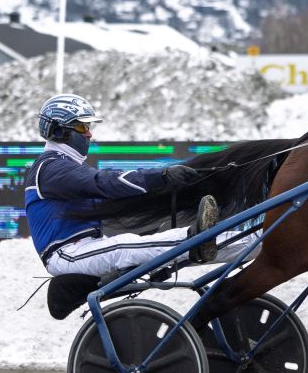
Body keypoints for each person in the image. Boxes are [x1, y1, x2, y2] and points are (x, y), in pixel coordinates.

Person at [24, 93, 258, 278]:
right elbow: (104, 183)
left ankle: (251, 242)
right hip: (66, 255)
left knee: (140, 243)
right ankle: (247, 242)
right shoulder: (51, 167)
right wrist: (161, 176)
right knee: (126, 247)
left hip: (84, 248)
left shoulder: (62, 165)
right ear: (59, 131)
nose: (90, 134)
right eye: (83, 127)